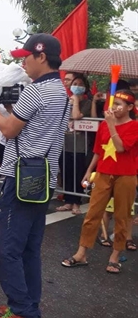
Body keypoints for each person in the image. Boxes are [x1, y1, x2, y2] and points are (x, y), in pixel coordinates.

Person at [0, 33, 70, 318]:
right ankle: (27, 303)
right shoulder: (62, 92)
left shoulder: (34, 92)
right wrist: (6, 112)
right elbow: (25, 127)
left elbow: (7, 131)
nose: (24, 63)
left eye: (26, 57)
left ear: (41, 56)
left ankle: (23, 313)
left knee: (5, 249)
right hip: (44, 180)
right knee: (28, 248)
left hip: (19, 179)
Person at [62, 90, 138, 274]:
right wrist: (89, 171)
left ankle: (114, 256)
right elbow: (99, 150)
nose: (115, 107)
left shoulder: (134, 126)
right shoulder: (104, 125)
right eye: (115, 103)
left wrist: (112, 125)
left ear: (130, 107)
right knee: (92, 214)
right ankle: (81, 254)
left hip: (126, 176)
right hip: (103, 174)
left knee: (121, 217)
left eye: (120, 104)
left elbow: (120, 148)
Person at [58, 73, 92, 215]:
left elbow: (77, 116)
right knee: (66, 171)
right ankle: (68, 200)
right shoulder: (65, 100)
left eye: (80, 85)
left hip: (80, 144)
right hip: (65, 143)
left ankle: (77, 202)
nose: (77, 87)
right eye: (75, 84)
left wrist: (76, 101)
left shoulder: (87, 103)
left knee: (78, 173)